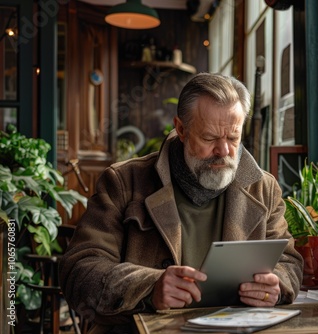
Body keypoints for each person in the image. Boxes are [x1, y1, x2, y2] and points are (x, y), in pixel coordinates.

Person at [59, 72, 304, 332]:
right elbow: (78, 271)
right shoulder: (124, 182)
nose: (224, 151)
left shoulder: (264, 189)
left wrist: (275, 284)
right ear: (181, 129)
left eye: (233, 138)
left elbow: (290, 262)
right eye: (209, 138)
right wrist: (149, 288)